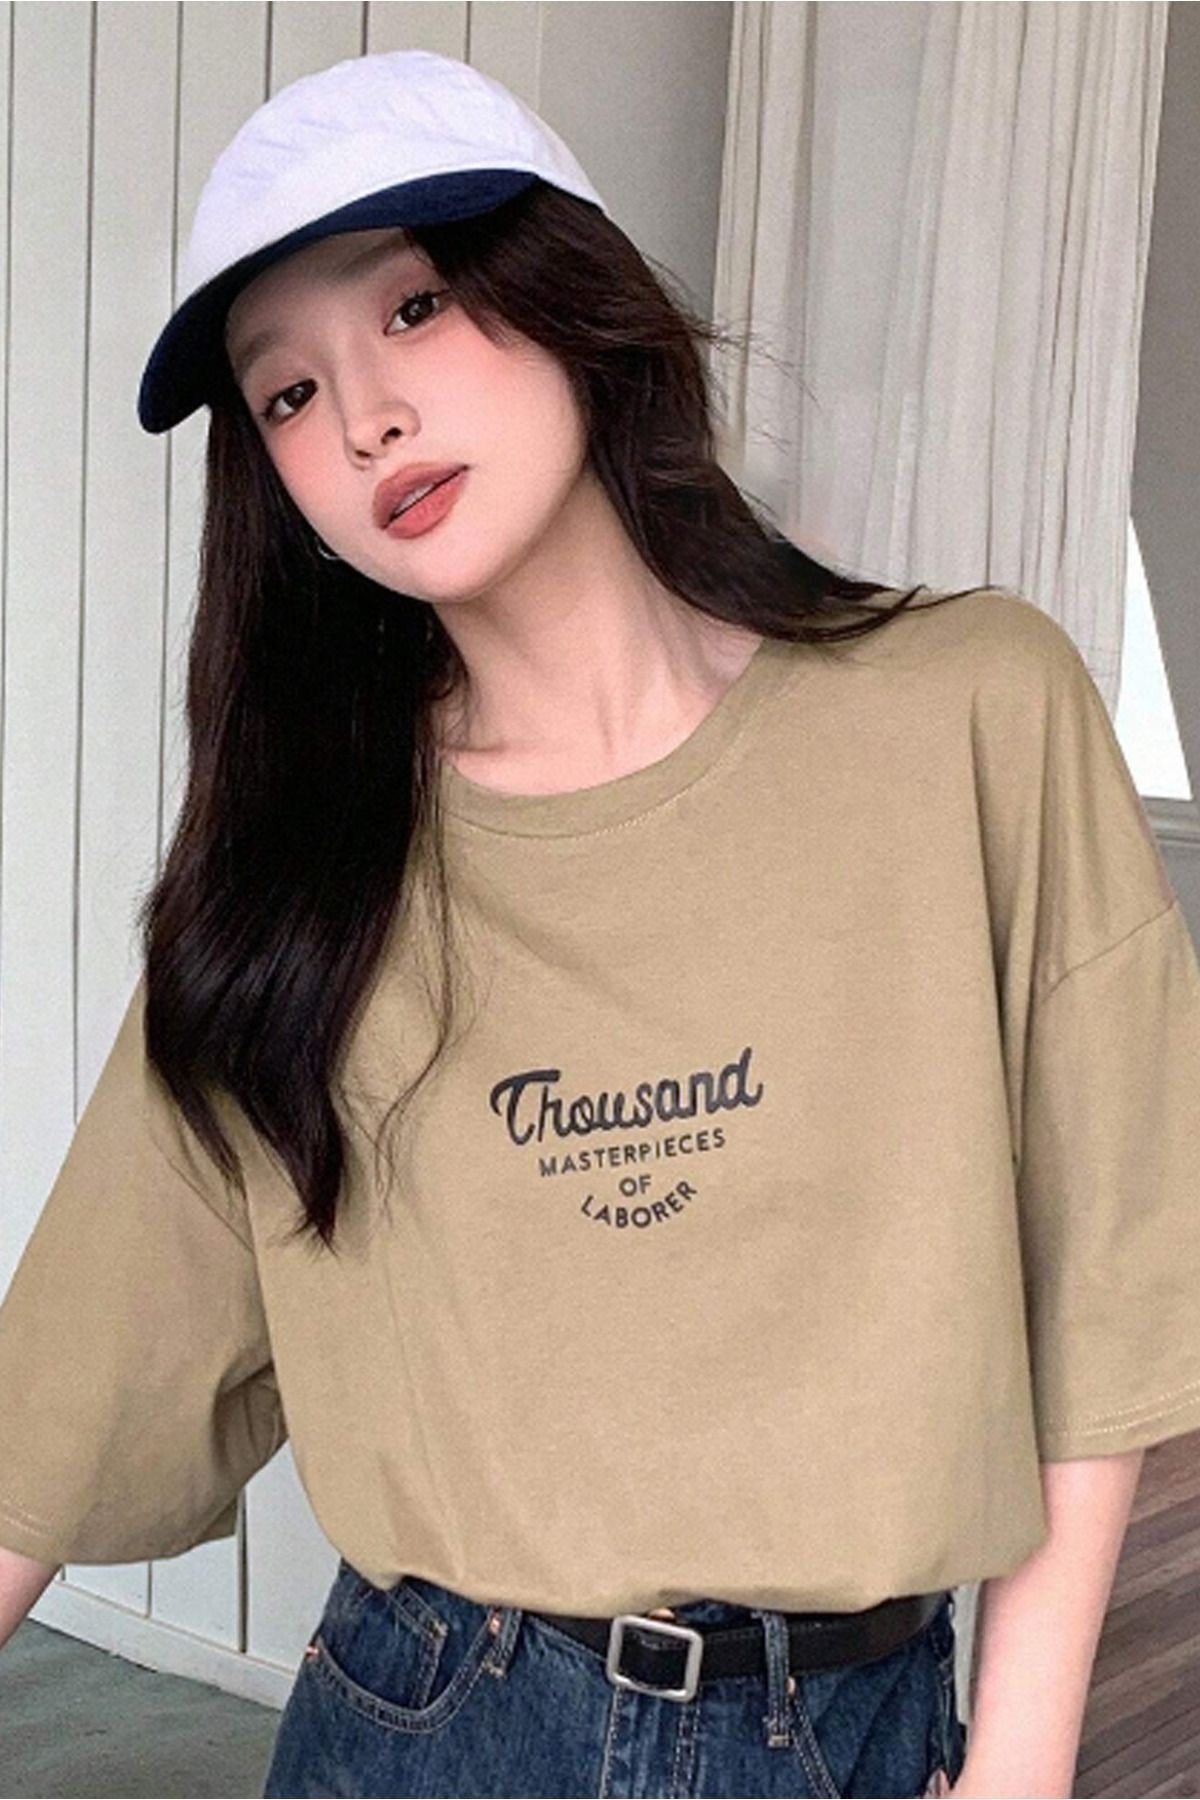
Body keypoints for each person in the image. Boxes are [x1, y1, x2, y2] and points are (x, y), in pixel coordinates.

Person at [0, 46, 1198, 1800]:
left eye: (415, 306)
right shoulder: (299, 870)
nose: (363, 417)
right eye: (288, 392)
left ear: (573, 294)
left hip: (847, 1732)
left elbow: (1106, 1274)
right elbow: (76, 1374)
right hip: (426, 1726)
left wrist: (1021, 1766)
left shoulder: (969, 710)